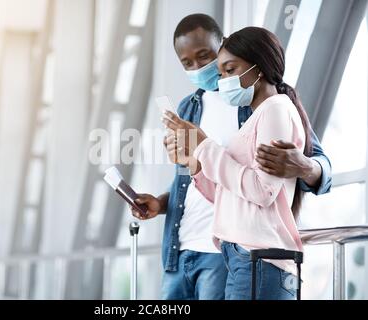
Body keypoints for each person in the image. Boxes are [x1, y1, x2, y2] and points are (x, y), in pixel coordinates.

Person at [131, 14, 332, 300]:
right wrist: (160, 203)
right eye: (187, 63)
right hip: (180, 248)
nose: (199, 68)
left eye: (205, 56)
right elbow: (195, 177)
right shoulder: (189, 107)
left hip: (228, 251)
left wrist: (305, 165)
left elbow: (318, 167)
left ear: (223, 45)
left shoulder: (262, 102)